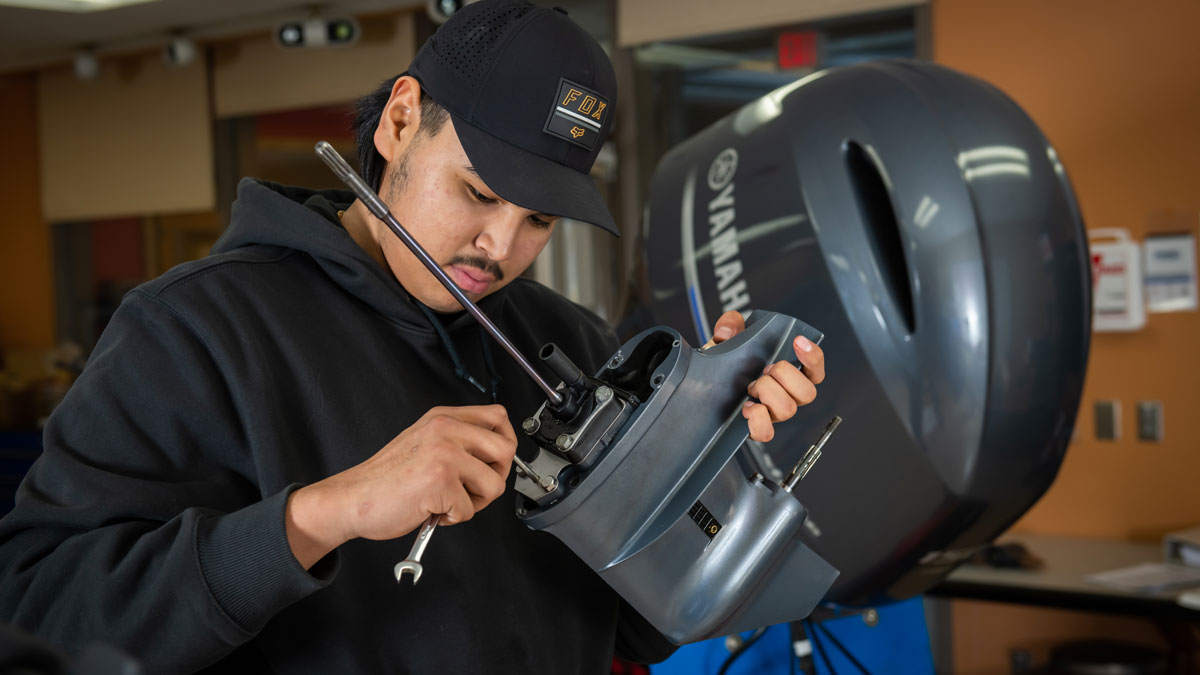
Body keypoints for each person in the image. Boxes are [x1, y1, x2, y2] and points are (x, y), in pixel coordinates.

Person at [0, 1, 826, 672]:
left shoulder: (566, 334)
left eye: (538, 217)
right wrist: (326, 512)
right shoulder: (194, 329)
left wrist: (707, 466)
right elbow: (40, 612)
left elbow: (634, 630)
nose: (499, 247)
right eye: (477, 190)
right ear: (400, 121)